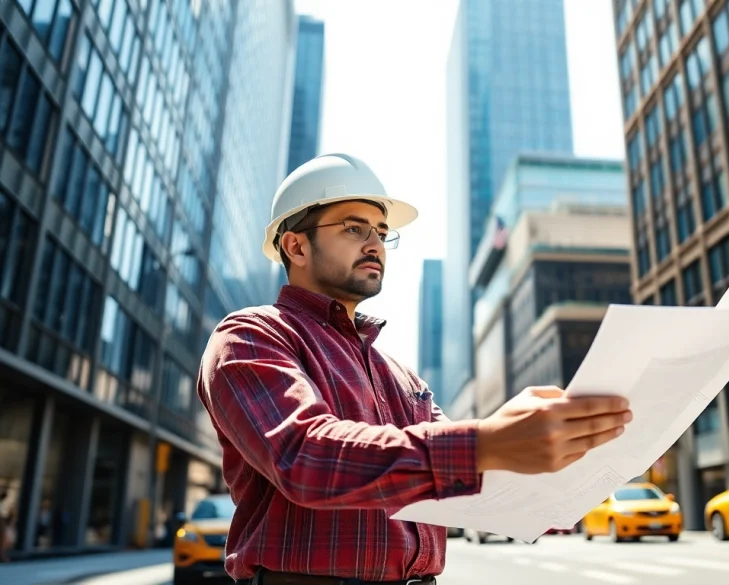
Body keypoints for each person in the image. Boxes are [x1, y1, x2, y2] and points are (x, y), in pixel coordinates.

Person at [197, 153, 632, 585]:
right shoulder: (251, 335)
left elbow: (471, 479)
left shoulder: (403, 378)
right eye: (354, 228)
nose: (375, 244)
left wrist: (567, 446)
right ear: (296, 245)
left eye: (382, 233)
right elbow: (303, 456)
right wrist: (488, 441)